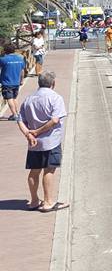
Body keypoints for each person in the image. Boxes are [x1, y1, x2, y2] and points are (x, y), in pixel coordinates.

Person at [17, 71, 68, 212]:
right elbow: (55, 120)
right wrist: (38, 132)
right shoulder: (55, 98)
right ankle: (48, 202)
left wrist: (29, 134)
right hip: (51, 141)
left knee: (34, 171)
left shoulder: (29, 99)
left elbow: (20, 120)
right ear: (53, 84)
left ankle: (34, 200)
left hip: (34, 144)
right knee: (49, 170)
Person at [1, 43, 27, 121]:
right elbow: (22, 71)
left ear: (5, 50)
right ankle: (16, 113)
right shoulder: (20, 58)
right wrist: (22, 80)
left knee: (9, 98)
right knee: (14, 98)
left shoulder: (3, 59)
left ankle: (15, 115)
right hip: (16, 82)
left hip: (7, 82)